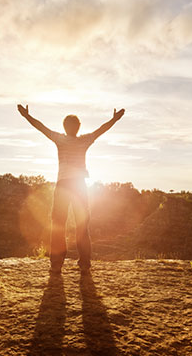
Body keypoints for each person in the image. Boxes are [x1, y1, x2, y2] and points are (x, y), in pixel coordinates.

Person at [17, 104, 125, 274]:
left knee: (58, 223)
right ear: (78, 127)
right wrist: (114, 119)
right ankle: (84, 264)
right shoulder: (84, 140)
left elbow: (41, 128)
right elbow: (101, 130)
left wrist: (26, 116)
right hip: (80, 185)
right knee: (82, 225)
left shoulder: (60, 139)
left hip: (63, 185)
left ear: (64, 127)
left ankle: (56, 264)